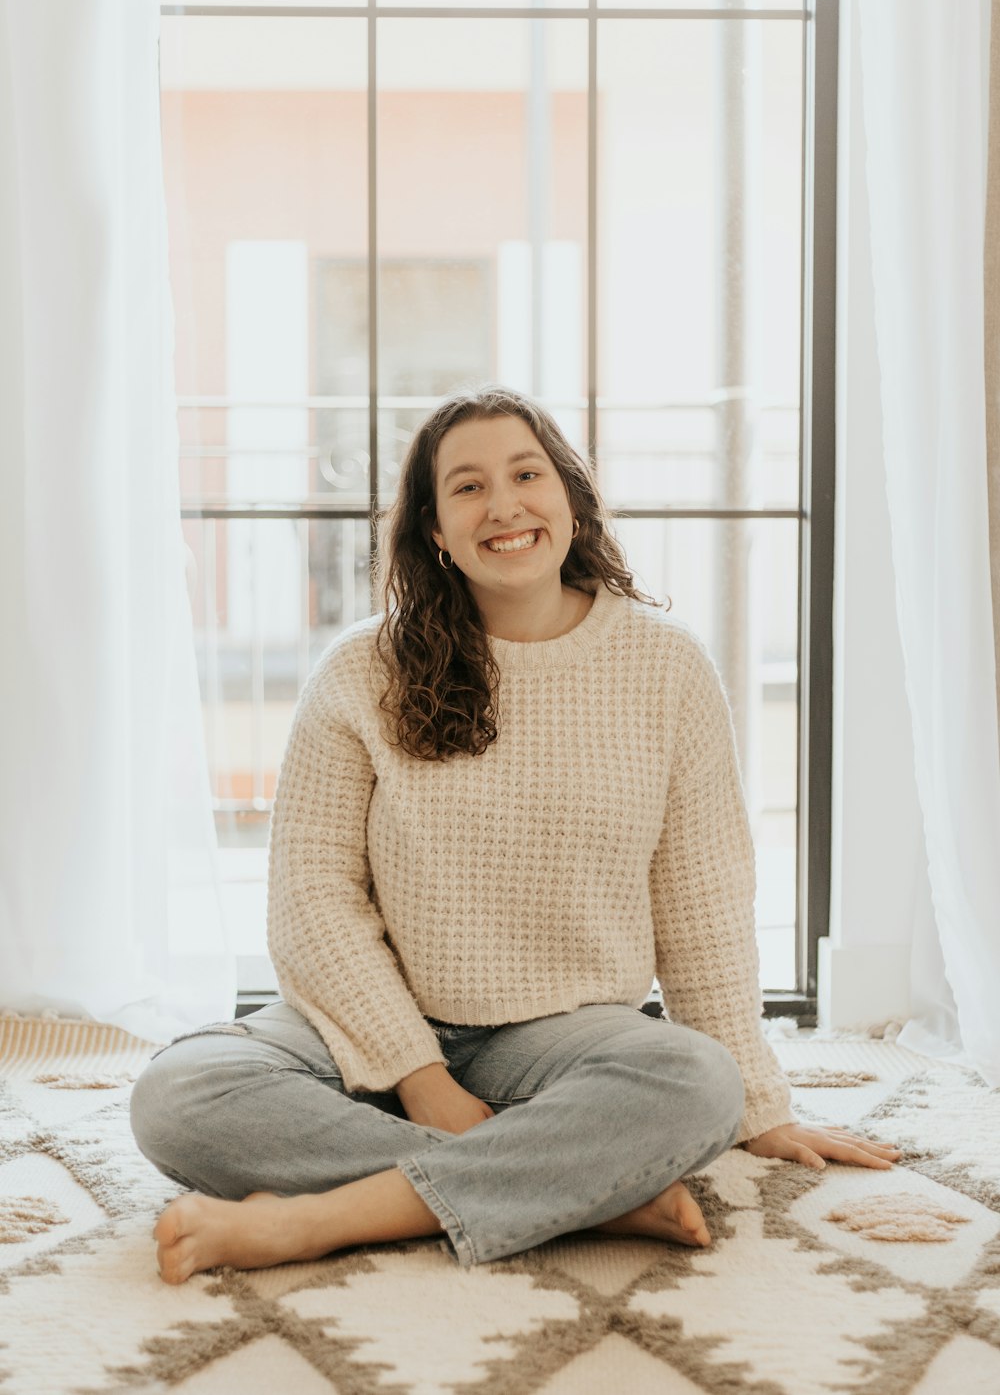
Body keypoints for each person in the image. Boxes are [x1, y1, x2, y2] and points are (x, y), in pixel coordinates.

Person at [131, 384, 902, 1286]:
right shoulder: (357, 673)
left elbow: (703, 904)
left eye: (526, 473)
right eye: (466, 487)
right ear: (433, 531)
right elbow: (312, 900)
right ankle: (582, 1190)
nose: (503, 505)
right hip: (373, 1023)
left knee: (698, 1084)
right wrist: (424, 1081)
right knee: (178, 1096)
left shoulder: (668, 667)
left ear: (569, 497)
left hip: (568, 1036)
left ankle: (328, 1219)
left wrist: (758, 1102)